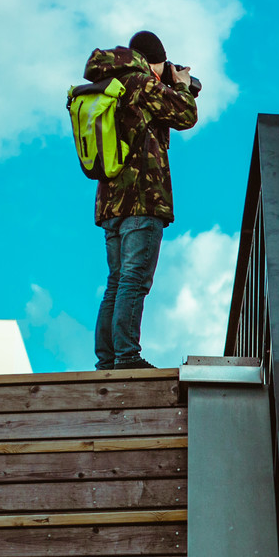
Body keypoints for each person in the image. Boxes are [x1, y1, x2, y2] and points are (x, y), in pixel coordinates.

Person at [85, 30, 198, 370]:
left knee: (117, 281)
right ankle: (126, 356)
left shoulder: (111, 83)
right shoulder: (138, 82)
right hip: (142, 199)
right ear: (155, 62)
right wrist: (179, 84)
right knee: (134, 279)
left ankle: (108, 359)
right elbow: (185, 115)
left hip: (111, 204)